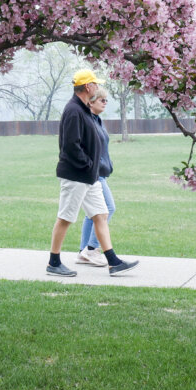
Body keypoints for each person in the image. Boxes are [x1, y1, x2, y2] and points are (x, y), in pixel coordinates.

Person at [46, 69, 139, 277]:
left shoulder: (84, 109)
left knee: (101, 214)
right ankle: (53, 262)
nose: (97, 87)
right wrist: (89, 164)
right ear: (88, 87)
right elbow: (70, 146)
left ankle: (113, 261)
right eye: (95, 84)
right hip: (76, 175)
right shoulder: (73, 110)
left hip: (90, 176)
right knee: (65, 218)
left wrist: (93, 168)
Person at [75, 88, 117, 267]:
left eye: (106, 100)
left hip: (101, 173)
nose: (105, 102)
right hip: (94, 174)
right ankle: (91, 249)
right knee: (108, 208)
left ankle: (83, 251)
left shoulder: (98, 120)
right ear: (90, 102)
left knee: (92, 214)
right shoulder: (88, 121)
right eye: (101, 100)